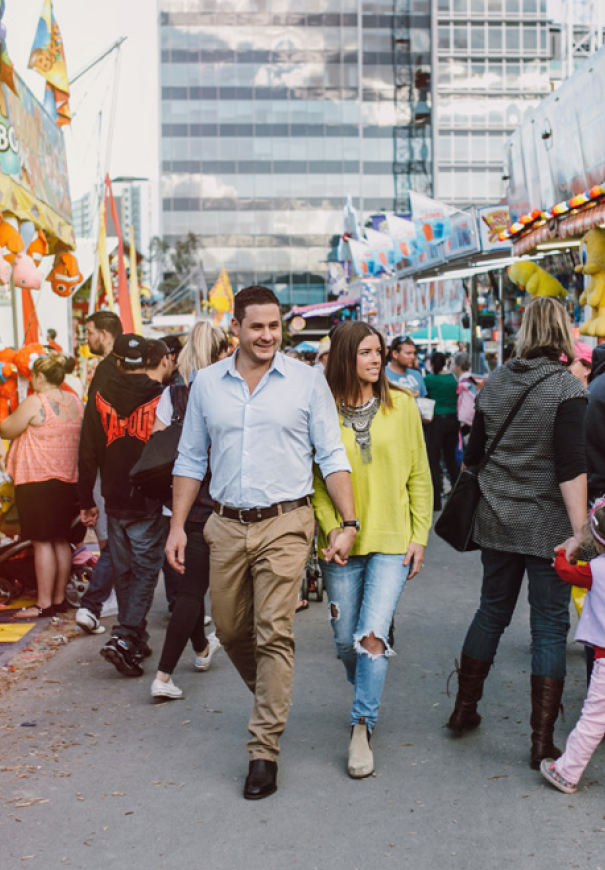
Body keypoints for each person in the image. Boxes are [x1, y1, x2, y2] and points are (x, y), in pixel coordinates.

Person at [165, 285, 356, 801]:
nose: (268, 335)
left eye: (274, 326)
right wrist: (178, 525)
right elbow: (189, 459)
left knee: (275, 631)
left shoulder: (306, 381)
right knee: (229, 629)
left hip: (286, 522)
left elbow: (331, 453)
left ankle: (263, 749)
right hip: (224, 523)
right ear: (237, 328)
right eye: (257, 327)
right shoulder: (206, 383)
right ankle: (272, 699)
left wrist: (348, 520)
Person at [446, 297, 588, 770]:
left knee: (491, 613)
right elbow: (571, 468)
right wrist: (580, 532)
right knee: (549, 626)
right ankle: (540, 741)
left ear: (525, 329)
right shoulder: (567, 388)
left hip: (496, 517)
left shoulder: (497, 381)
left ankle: (464, 710)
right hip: (548, 525)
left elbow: (474, 455)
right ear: (563, 331)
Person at [313, 322, 432, 778]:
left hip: (392, 541)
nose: (376, 359)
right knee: (346, 642)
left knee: (370, 638)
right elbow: (317, 484)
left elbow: (419, 474)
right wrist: (330, 530)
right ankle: (369, 678)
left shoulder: (400, 404)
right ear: (345, 356)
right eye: (366, 352)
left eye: (379, 351)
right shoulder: (322, 411)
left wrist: (420, 535)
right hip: (344, 543)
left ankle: (362, 725)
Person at [150, 323, 229, 701]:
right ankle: (166, 674)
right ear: (223, 352)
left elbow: (158, 443)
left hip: (183, 502)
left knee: (190, 589)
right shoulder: (225, 389)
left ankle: (196, 652)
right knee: (195, 590)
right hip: (223, 502)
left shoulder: (172, 394)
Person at [78, 334, 164, 677]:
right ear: (146, 361)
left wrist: (86, 498)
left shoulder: (99, 395)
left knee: (126, 567)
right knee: (145, 569)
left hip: (113, 496)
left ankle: (136, 636)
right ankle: (126, 635)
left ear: (115, 362)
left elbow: (87, 451)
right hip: (148, 494)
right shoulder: (161, 395)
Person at [3, 354, 83, 618]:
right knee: (60, 540)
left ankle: (44, 604)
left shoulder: (36, 402)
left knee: (41, 543)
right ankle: (59, 599)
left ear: (39, 376)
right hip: (67, 481)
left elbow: (6, 430)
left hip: (37, 481)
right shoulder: (74, 402)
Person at [540, 497, 605, 794]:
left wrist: (565, 553)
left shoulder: (595, 570)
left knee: (593, 719)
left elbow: (565, 570)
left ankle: (566, 772)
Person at [75, 311, 123, 635]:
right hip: (125, 465)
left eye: (90, 333)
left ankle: (102, 599)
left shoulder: (106, 371)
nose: (87, 339)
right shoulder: (127, 366)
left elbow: (92, 433)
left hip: (109, 467)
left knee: (110, 537)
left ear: (104, 334)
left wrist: (85, 488)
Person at [423, 350, 460, 511]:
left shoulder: (428, 380)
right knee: (451, 459)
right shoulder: (453, 378)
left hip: (435, 422)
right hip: (453, 420)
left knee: (433, 460)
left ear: (431, 362)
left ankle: (435, 501)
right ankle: (458, 496)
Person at [452, 351, 478, 437]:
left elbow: (466, 412)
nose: (453, 367)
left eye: (454, 365)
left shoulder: (464, 384)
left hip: (467, 425)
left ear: (459, 366)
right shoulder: (473, 380)